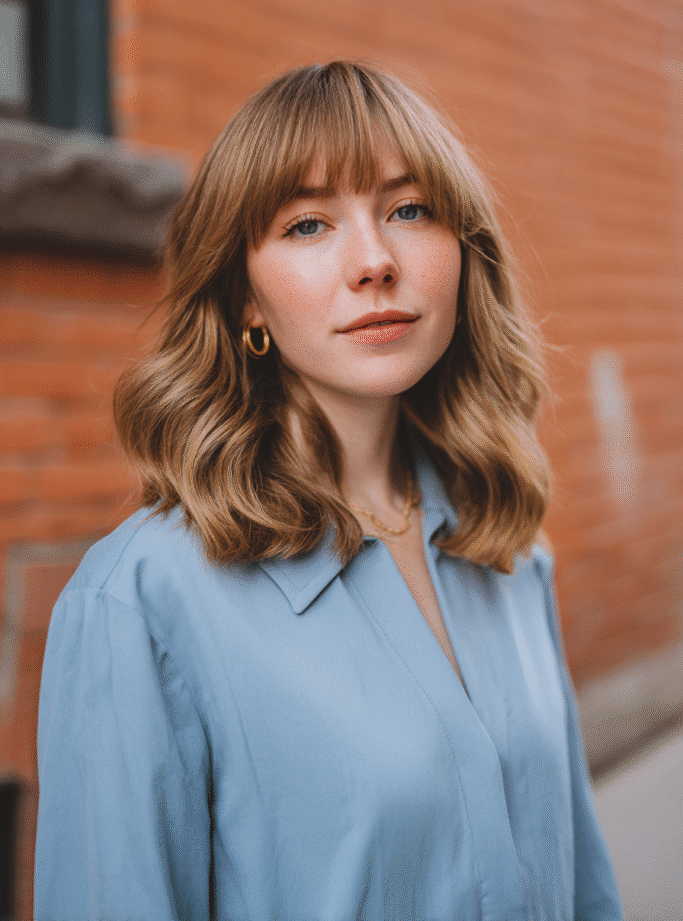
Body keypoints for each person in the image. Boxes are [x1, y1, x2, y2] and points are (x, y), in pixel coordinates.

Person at [34, 61, 623, 921]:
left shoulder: (507, 550)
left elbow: (581, 886)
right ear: (245, 301)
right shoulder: (141, 603)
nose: (375, 261)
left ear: (462, 253)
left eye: (409, 209)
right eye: (308, 224)